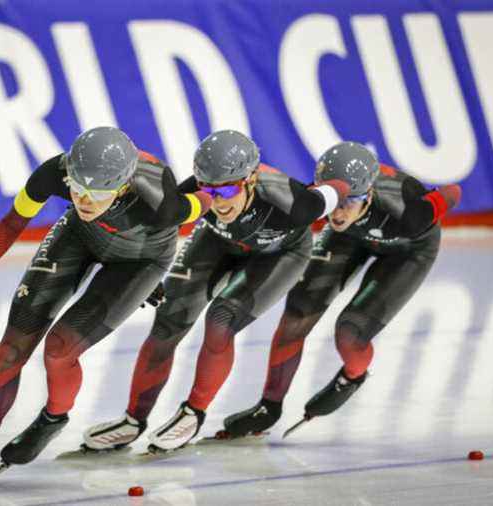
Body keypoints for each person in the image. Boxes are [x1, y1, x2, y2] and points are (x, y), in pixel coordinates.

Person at [0, 126, 212, 479]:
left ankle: (53, 418)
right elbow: (13, 223)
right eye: (77, 188)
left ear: (122, 187)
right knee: (11, 348)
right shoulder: (54, 172)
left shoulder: (161, 201)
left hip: (140, 260)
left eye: (96, 193)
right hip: (79, 237)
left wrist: (151, 281)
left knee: (59, 351)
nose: (84, 200)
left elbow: (208, 196)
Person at [81, 130, 351, 453]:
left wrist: (351, 185)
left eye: (227, 189)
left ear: (251, 179)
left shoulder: (293, 202)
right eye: (210, 190)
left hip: (280, 254)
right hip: (217, 241)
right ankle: (133, 420)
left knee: (221, 320)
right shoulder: (196, 191)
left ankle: (193, 413)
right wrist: (145, 273)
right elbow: (156, 226)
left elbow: (337, 189)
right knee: (169, 317)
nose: (218, 200)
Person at [219, 141, 462, 439]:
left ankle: (353, 376)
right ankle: (269, 406)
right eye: (336, 200)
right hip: (349, 238)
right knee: (298, 312)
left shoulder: (409, 213)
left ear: (369, 193)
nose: (338, 211)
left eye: (351, 201)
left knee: (350, 332)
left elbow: (454, 191)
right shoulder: (326, 204)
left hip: (409, 249)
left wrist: (433, 202)